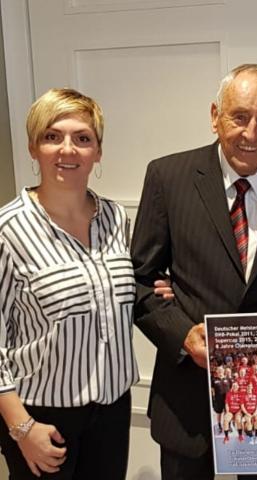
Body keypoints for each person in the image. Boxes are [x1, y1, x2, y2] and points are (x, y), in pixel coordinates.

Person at [132, 63, 257, 480]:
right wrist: (182, 334)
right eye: (239, 116)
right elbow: (140, 279)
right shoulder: (167, 178)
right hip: (188, 394)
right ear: (214, 115)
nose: (251, 133)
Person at [0, 88, 165, 479]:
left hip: (112, 408)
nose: (68, 149)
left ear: (98, 151)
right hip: (41, 416)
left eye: (82, 138)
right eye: (52, 136)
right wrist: (21, 428)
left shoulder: (114, 219)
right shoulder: (8, 230)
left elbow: (129, 288)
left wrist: (161, 289)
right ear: (33, 147)